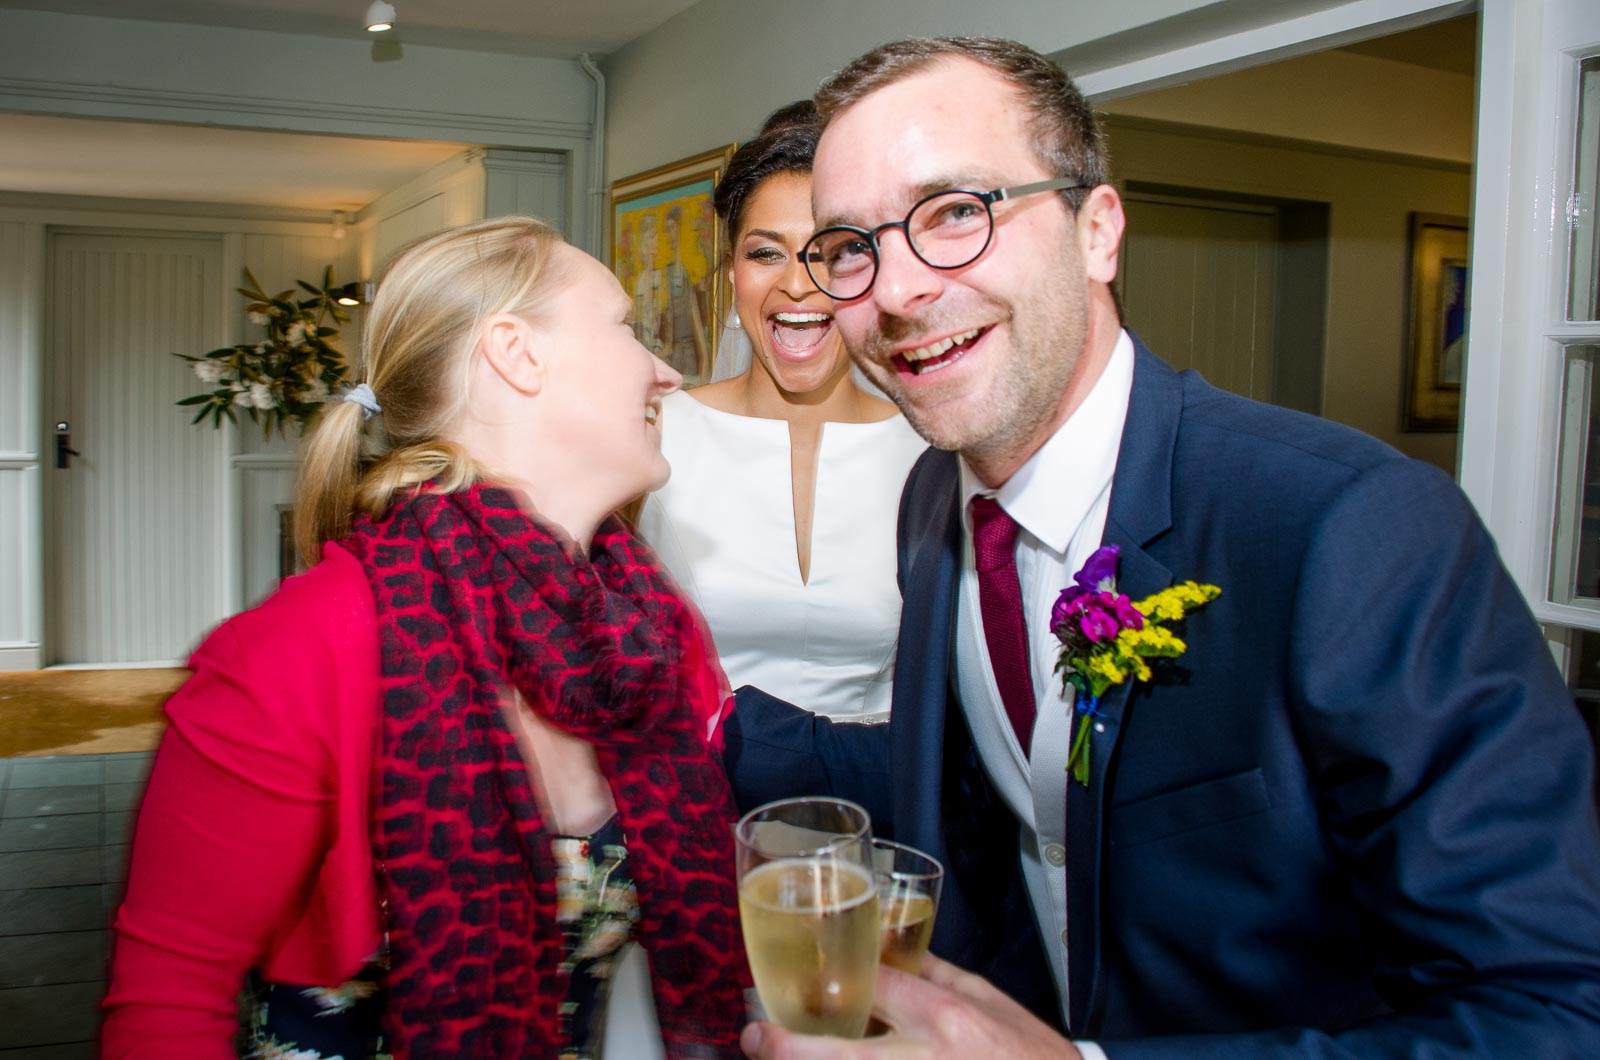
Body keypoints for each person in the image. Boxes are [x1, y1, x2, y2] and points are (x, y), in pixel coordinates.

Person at [743, 36, 1600, 1060]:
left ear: (1096, 230)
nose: (896, 290)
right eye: (850, 246)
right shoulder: (933, 499)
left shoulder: (1350, 528)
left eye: (956, 214)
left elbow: (1549, 1015)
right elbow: (994, 794)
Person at [101, 216, 749, 1059]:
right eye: (628, 326)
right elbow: (167, 1004)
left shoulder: (652, 633)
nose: (666, 372)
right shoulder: (295, 652)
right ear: (516, 353)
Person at [635, 102, 928, 824]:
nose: (797, 284)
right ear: (731, 273)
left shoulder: (932, 451)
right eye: (765, 252)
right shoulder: (653, 436)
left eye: (830, 252)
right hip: (693, 825)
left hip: (880, 825)